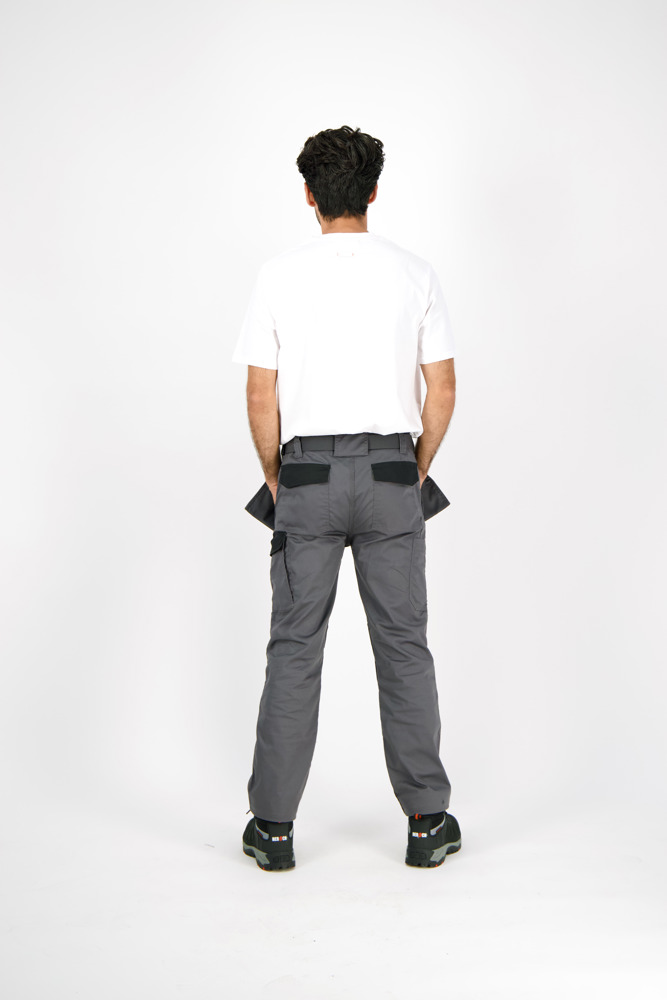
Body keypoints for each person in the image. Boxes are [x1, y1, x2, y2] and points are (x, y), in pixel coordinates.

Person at [232, 125, 462, 872]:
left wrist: (277, 477)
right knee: (403, 646)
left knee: (294, 649)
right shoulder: (414, 273)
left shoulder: (278, 276)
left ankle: (273, 831)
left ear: (309, 195)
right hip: (393, 474)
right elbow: (441, 390)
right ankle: (427, 823)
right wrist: (414, 470)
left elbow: (259, 394)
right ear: (373, 192)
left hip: (307, 477)